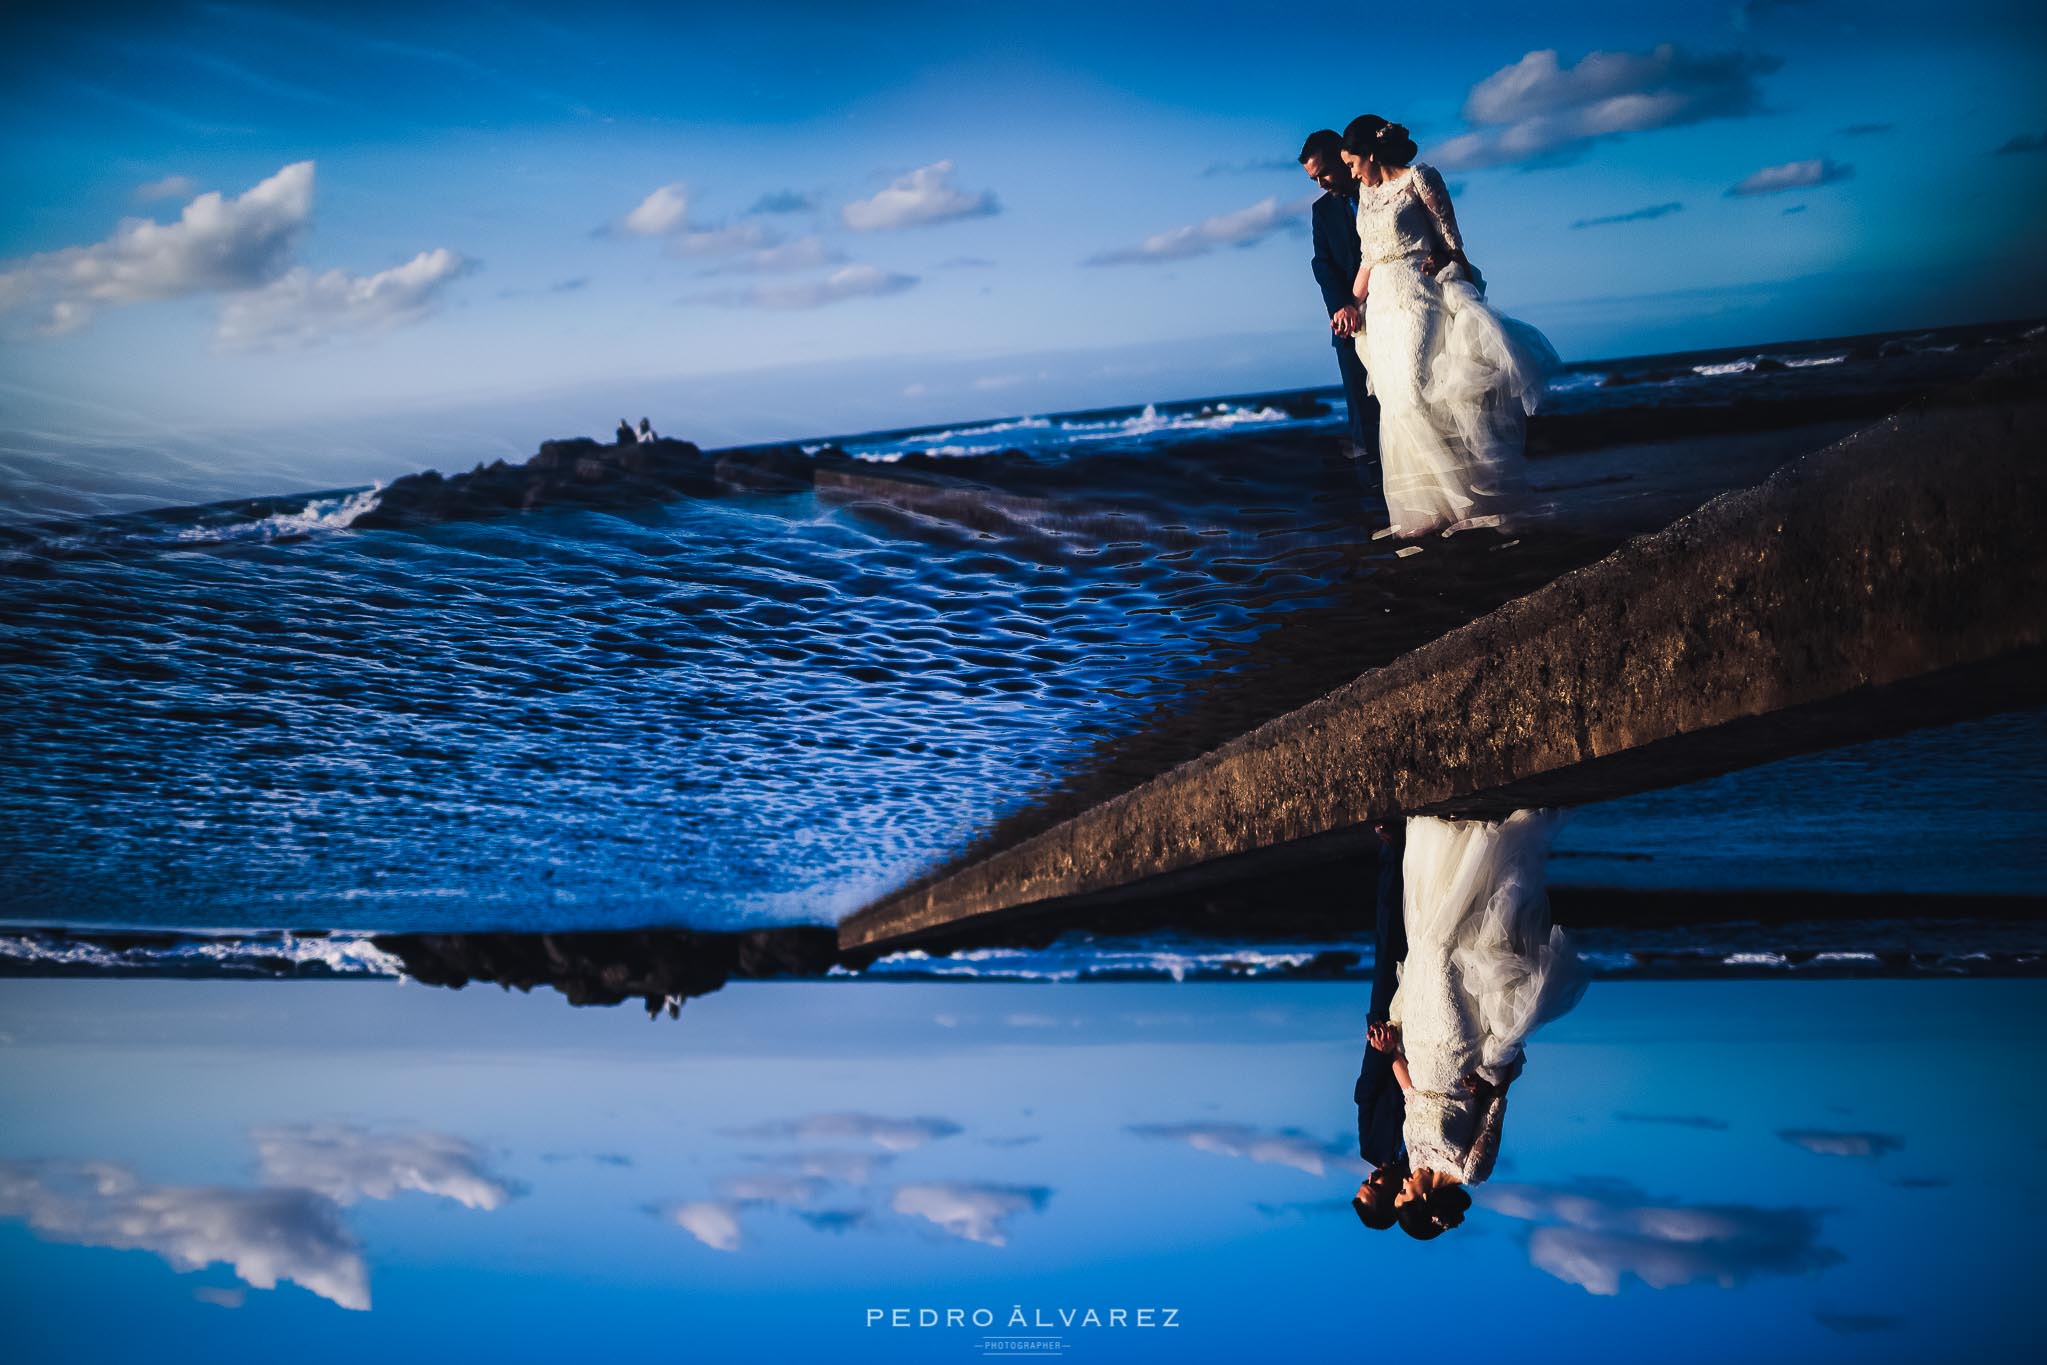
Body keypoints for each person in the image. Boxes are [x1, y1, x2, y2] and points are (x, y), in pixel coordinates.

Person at [1341, 115, 1559, 538]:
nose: (1350, 171)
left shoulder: (1420, 177)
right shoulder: (1365, 194)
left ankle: (1470, 500)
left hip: (1420, 292)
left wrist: (1447, 260)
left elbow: (1453, 242)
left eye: (1352, 162)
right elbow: (1368, 258)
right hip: (1382, 303)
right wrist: (1352, 304)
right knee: (1395, 401)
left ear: (1370, 153)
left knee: (1415, 389)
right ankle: (1429, 508)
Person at [1384, 810, 1588, 1237]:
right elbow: (1496, 1111)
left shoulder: (1417, 1158)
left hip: (1421, 1050)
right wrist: (1493, 1086)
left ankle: (1459, 835)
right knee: (1444, 954)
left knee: (1425, 952)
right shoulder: (1470, 1169)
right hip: (1457, 1055)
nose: (1401, 1185)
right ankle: (1493, 851)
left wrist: (1391, 1054)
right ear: (1422, 1202)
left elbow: (1410, 1099)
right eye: (1404, 1194)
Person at [1299, 130, 1378, 464]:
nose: (1320, 184)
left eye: (1324, 174)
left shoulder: (1380, 190)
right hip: (1349, 321)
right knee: (1360, 410)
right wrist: (1342, 305)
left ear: (1342, 159)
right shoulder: (1321, 211)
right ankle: (1371, 492)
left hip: (1395, 305)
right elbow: (1323, 263)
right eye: (1313, 179)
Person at [1352, 818, 1409, 1231]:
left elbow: (1365, 1095)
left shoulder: (1370, 1148)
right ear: (1391, 1198)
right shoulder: (1427, 1161)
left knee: (1389, 937)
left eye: (1363, 1182)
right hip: (1424, 1043)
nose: (1369, 1176)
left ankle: (1393, 848)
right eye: (1373, 1186)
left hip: (1386, 1031)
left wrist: (1378, 1050)